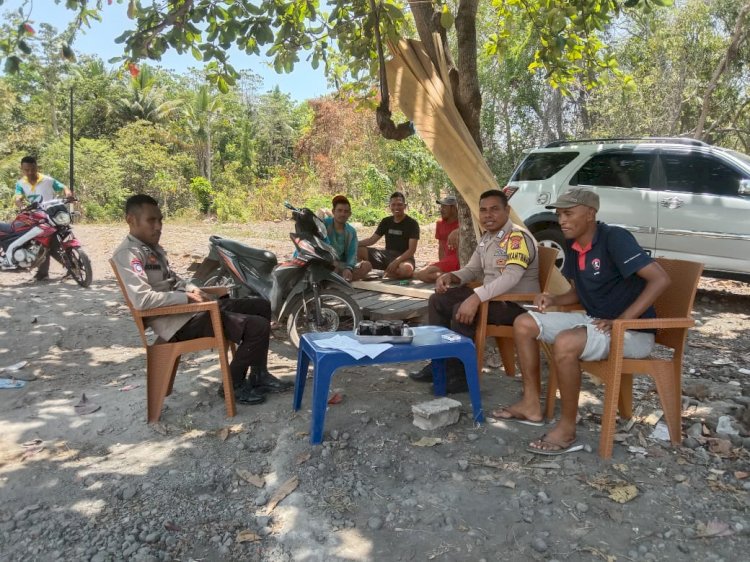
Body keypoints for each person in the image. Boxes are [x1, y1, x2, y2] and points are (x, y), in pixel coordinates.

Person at [507, 188, 670, 454]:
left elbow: (661, 279)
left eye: (568, 213)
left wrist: (622, 320)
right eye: (560, 214)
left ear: (590, 214)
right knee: (524, 323)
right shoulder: (573, 245)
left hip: (634, 332)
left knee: (566, 342)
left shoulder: (614, 238)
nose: (562, 220)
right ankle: (530, 404)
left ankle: (567, 428)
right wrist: (555, 299)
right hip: (597, 322)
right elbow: (577, 293)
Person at [112, 194, 292, 406]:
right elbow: (142, 300)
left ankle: (259, 375)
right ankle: (231, 385)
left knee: (261, 305)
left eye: (160, 220)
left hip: (190, 310)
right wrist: (186, 298)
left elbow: (174, 280)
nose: (158, 226)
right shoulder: (128, 254)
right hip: (177, 322)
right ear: (131, 220)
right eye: (151, 220)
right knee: (257, 326)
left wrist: (194, 289)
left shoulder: (151, 249)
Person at [410, 189, 540, 393]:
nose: (488, 215)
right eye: (483, 210)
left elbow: (511, 277)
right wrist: (451, 276)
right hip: (493, 299)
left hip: (516, 306)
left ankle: (460, 375)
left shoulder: (517, 238)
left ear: (507, 210)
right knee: (438, 299)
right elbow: (472, 269)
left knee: (460, 308)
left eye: (494, 209)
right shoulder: (487, 237)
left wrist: (476, 298)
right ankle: (440, 363)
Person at [14, 156, 73, 281]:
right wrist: (21, 205)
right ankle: (45, 272)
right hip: (36, 217)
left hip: (53, 215)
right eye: (26, 170)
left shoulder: (47, 180)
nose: (30, 172)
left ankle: (70, 267)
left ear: (37, 167)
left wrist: (68, 193)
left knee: (54, 244)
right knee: (42, 244)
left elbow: (63, 187)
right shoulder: (20, 183)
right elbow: (18, 197)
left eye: (32, 169)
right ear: (22, 169)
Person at [357, 191, 419, 279]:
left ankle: (387, 273)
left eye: (399, 204)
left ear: (405, 206)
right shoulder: (386, 221)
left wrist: (396, 262)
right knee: (357, 250)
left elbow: (411, 250)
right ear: (389, 206)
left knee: (406, 269)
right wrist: (353, 244)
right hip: (386, 255)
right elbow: (372, 240)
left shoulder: (412, 223)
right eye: (393, 205)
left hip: (404, 258)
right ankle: (383, 272)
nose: (396, 207)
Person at [319, 195, 372, 281]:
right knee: (330, 267)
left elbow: (352, 253)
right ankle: (337, 278)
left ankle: (337, 278)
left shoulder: (351, 231)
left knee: (367, 265)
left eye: (346, 211)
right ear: (333, 211)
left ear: (349, 214)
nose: (342, 214)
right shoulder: (324, 224)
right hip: (325, 262)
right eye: (339, 210)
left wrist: (349, 268)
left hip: (341, 264)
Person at [414, 195, 460, 283]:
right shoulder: (439, 223)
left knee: (422, 274)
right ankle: (452, 276)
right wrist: (441, 263)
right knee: (419, 273)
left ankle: (456, 277)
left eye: (444, 207)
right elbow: (441, 247)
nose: (441, 210)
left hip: (458, 260)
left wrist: (458, 230)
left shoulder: (463, 224)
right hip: (448, 261)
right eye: (441, 207)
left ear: (454, 208)